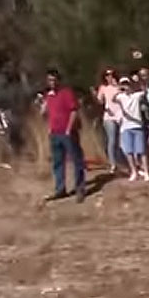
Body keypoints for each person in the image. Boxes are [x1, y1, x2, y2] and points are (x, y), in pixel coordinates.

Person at [39, 69, 86, 202]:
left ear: (59, 80)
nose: (52, 83)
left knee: (76, 160)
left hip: (68, 132)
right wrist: (48, 124)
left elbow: (74, 111)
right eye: (50, 80)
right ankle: (60, 189)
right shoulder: (49, 96)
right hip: (55, 133)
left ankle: (80, 189)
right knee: (58, 162)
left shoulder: (66, 93)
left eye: (54, 80)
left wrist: (69, 129)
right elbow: (46, 114)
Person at [115, 76, 149, 181]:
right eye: (123, 84)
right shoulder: (120, 97)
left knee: (141, 151)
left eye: (127, 84)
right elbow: (113, 99)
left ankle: (146, 172)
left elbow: (145, 91)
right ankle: (134, 172)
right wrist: (119, 89)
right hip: (125, 127)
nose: (126, 86)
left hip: (137, 126)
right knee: (128, 151)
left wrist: (138, 82)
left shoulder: (136, 95)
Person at [95, 68, 122, 174]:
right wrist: (97, 97)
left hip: (121, 115)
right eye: (107, 75)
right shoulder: (103, 88)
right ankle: (113, 163)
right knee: (112, 139)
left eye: (112, 75)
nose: (110, 77)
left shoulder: (119, 86)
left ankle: (121, 161)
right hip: (109, 116)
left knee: (120, 141)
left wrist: (117, 86)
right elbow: (100, 101)